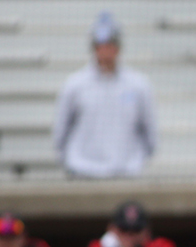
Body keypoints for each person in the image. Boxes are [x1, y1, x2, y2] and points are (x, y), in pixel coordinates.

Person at [52, 11, 158, 178]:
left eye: (110, 45)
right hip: (83, 170)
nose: (106, 51)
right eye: (101, 46)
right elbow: (60, 133)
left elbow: (150, 134)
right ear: (94, 48)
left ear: (118, 48)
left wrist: (136, 161)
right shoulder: (75, 85)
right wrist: (72, 163)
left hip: (126, 172)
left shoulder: (138, 86)